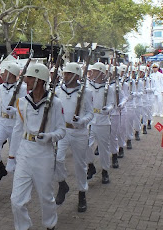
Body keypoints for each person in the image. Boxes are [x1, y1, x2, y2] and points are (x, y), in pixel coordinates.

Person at [9, 62, 65, 230]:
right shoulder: (22, 102)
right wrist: (12, 156)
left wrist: (49, 136)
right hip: (25, 152)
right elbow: (17, 130)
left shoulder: (55, 103)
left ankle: (50, 225)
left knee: (46, 197)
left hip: (44, 154)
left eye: (30, 77)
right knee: (16, 200)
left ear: (40, 80)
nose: (26, 80)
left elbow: (62, 131)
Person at [54, 62, 93, 212]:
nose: (66, 76)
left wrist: (82, 121)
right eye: (65, 73)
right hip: (63, 131)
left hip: (79, 132)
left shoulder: (86, 92)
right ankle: (62, 184)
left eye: (69, 74)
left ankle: (82, 193)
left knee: (80, 165)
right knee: (57, 159)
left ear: (77, 76)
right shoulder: (58, 91)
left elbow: (90, 113)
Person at [0, 60, 26, 183]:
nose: (3, 75)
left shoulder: (22, 88)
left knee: (16, 155)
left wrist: (16, 110)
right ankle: (1, 168)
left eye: (6, 72)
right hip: (2, 122)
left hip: (15, 124)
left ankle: (19, 181)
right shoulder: (0, 88)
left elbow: (25, 107)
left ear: (13, 74)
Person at [86, 62, 115, 184]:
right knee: (85, 146)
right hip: (90, 120)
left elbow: (112, 104)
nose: (92, 73)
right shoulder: (88, 87)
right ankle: (91, 165)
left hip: (103, 122)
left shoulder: (109, 88)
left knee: (104, 149)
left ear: (101, 73)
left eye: (95, 71)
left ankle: (105, 170)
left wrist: (107, 109)